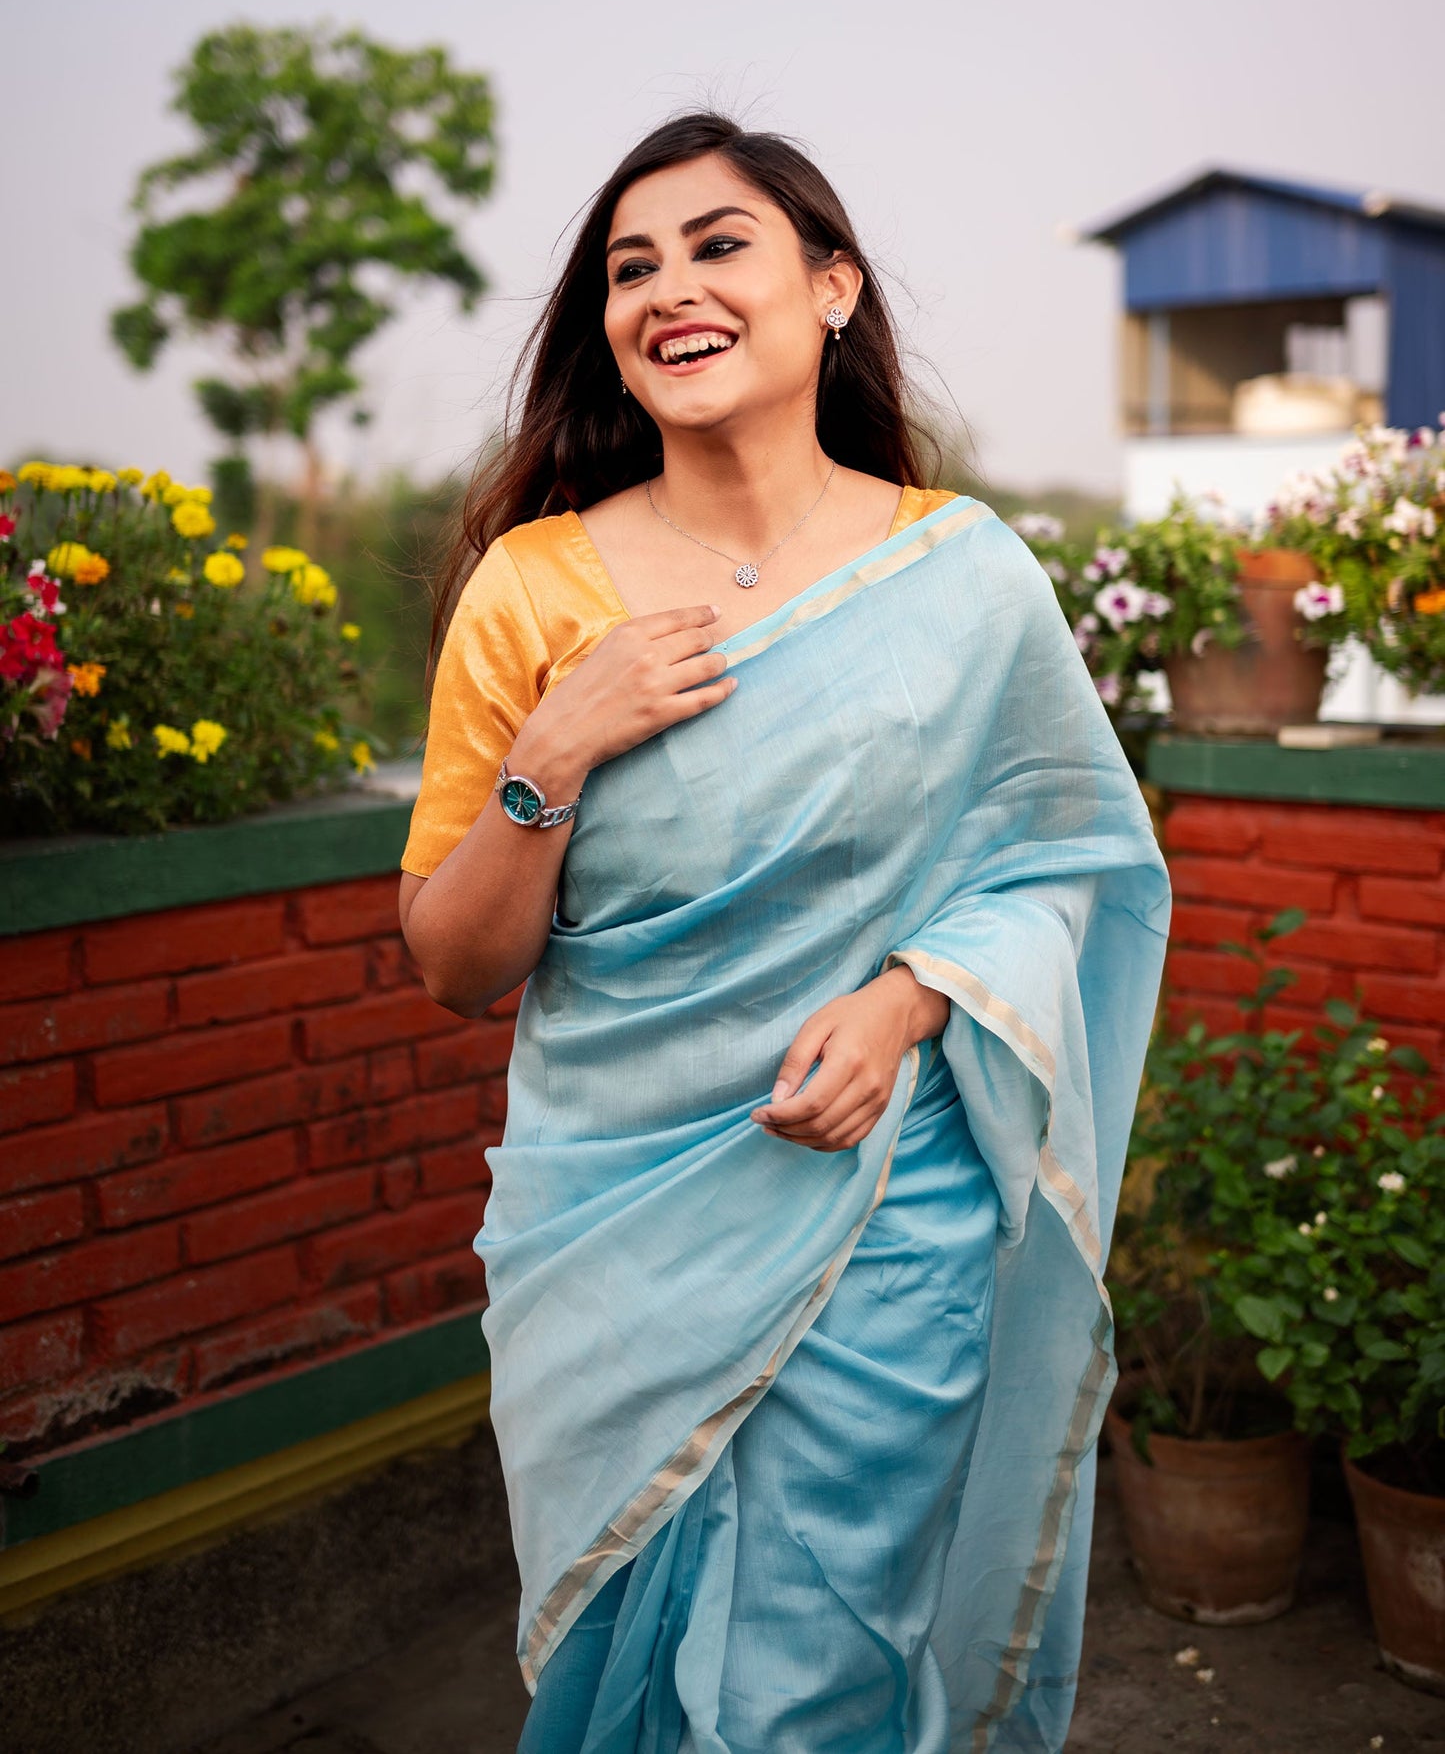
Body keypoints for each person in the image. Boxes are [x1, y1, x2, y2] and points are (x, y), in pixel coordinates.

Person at [399, 113, 1170, 1753]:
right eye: (628, 264)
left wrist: (904, 1002)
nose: (666, 286)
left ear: (830, 287)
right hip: (606, 1231)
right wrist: (550, 756)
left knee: (810, 1681)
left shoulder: (958, 577)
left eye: (715, 243)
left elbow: (1066, 863)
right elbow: (456, 963)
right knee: (622, 1647)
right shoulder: (535, 592)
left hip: (884, 1212)